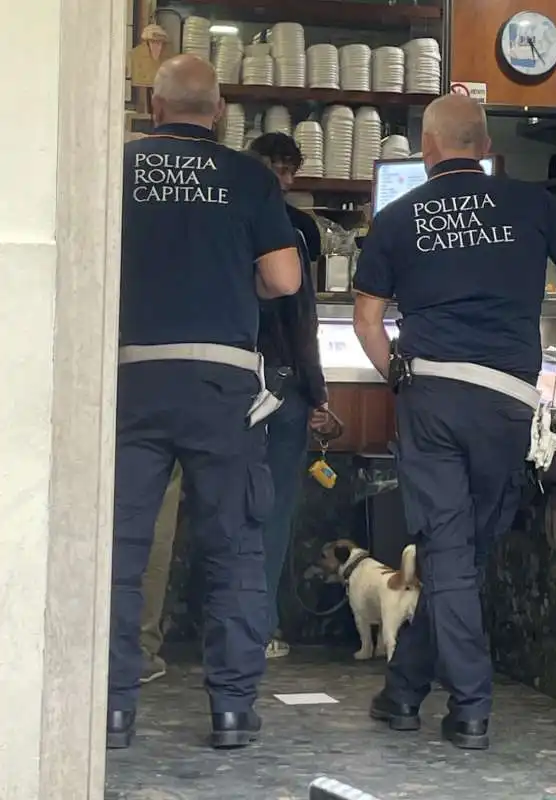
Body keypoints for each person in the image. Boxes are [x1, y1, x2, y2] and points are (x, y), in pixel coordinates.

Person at [352, 94, 556, 750]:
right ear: (483, 148)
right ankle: (403, 694)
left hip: (433, 400)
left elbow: (365, 320)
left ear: (427, 149)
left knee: (449, 554)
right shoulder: (531, 204)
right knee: (460, 554)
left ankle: (467, 705)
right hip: (505, 401)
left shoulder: (395, 216)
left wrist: (399, 375)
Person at [109, 54, 301, 751]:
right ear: (217, 112)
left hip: (132, 380)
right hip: (222, 383)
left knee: (120, 549)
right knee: (234, 547)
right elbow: (283, 278)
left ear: (153, 107)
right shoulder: (249, 175)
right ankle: (229, 709)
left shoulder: (119, 166)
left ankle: (111, 708)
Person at [248, 132, 330, 658]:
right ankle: (259, 628)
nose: (281, 178)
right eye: (275, 167)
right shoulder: (294, 230)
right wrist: (317, 390)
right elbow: (302, 318)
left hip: (232, 381)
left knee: (232, 509)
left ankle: (237, 626)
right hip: (281, 387)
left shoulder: (224, 221)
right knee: (271, 512)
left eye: (285, 168)